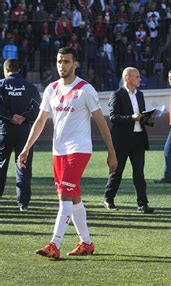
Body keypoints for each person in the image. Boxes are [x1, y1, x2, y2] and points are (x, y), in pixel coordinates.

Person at [18, 47, 117, 260]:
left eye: (66, 62)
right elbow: (40, 121)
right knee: (73, 198)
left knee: (64, 195)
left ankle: (55, 243)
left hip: (79, 149)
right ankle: (87, 243)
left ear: (75, 64)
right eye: (59, 61)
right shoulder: (51, 89)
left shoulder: (85, 89)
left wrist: (112, 152)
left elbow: (101, 122)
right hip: (58, 151)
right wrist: (26, 148)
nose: (61, 65)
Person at [104, 67, 154, 213]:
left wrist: (149, 119)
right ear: (127, 78)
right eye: (137, 77)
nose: (140, 79)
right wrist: (131, 118)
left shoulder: (140, 94)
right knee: (117, 171)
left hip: (138, 138)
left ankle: (142, 204)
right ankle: (108, 199)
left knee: (139, 172)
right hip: (122, 140)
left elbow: (141, 115)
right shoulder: (117, 94)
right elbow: (113, 117)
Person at [0, 58, 40, 211]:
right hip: (24, 130)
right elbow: (38, 107)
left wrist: (10, 116)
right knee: (23, 164)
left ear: (5, 70)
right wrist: (24, 117)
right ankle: (23, 203)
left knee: (1, 163)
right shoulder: (29, 86)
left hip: (4, 130)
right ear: (19, 70)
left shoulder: (2, 84)